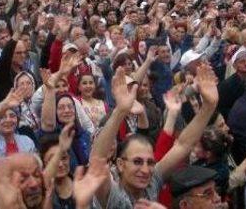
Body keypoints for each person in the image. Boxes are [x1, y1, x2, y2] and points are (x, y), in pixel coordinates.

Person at [89, 63, 218, 208]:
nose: (145, 170)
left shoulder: (152, 182)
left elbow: (183, 145)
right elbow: (96, 161)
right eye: (137, 161)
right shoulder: (113, 194)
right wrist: (120, 111)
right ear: (120, 164)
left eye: (150, 162)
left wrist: (209, 106)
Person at [0, 84, 36, 158]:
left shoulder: (27, 141)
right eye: (2, 117)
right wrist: (5, 105)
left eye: (12, 116)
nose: (8, 120)